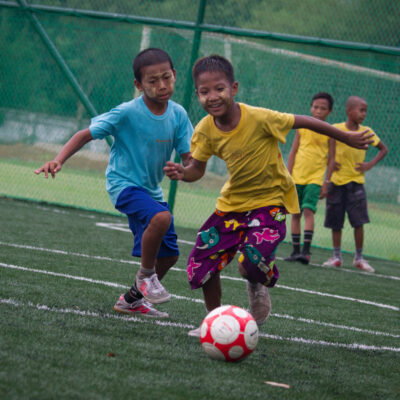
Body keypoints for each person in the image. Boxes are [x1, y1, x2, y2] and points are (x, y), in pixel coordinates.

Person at [163, 55, 373, 336]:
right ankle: (214, 323)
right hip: (232, 206)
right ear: (198, 94)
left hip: (270, 204)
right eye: (204, 91)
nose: (212, 97)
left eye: (219, 89)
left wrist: (344, 136)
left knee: (251, 262)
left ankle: (258, 283)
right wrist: (183, 172)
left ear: (234, 88)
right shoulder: (204, 130)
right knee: (201, 264)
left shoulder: (260, 118)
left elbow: (306, 121)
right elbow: (197, 169)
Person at [35, 48, 193, 317]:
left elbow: (190, 158)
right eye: (152, 81)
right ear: (138, 85)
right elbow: (85, 134)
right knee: (161, 217)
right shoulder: (127, 112)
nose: (162, 86)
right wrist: (59, 159)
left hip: (152, 190)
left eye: (166, 78)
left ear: (175, 75)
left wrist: (185, 169)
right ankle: (145, 276)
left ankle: (131, 300)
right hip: (123, 185)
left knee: (170, 256)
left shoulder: (178, 115)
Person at [323, 96, 388, 272]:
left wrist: (369, 164)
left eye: (365, 110)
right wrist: (328, 170)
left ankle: (359, 257)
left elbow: (383, 149)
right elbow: (328, 152)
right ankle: (336, 256)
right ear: (348, 110)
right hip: (336, 183)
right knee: (335, 221)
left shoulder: (367, 132)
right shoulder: (336, 129)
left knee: (358, 222)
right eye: (361, 110)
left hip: (356, 184)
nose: (364, 114)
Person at [285, 92, 336, 264]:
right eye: (315, 107)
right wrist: (288, 174)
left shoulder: (330, 132)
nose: (318, 111)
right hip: (297, 178)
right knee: (295, 214)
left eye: (323, 108)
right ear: (310, 108)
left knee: (308, 211)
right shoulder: (302, 127)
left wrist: (326, 182)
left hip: (314, 179)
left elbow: (332, 160)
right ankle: (295, 251)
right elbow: (293, 152)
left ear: (330, 111)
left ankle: (306, 252)